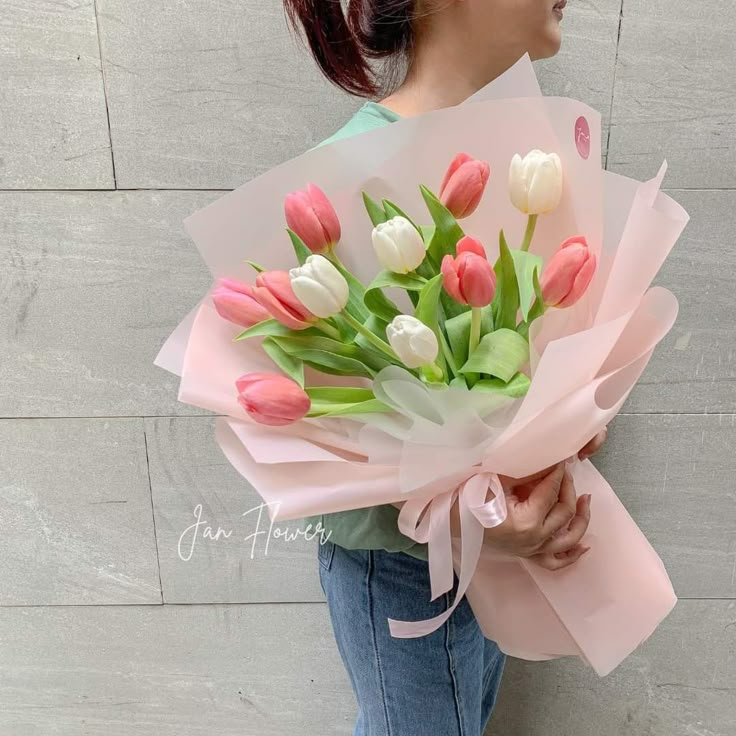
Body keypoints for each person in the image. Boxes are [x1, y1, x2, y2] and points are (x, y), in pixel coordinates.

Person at [283, 1, 596, 733]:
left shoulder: (520, 159)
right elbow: (330, 442)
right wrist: (472, 513)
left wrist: (560, 430)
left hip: (481, 561)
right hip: (397, 570)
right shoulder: (355, 173)